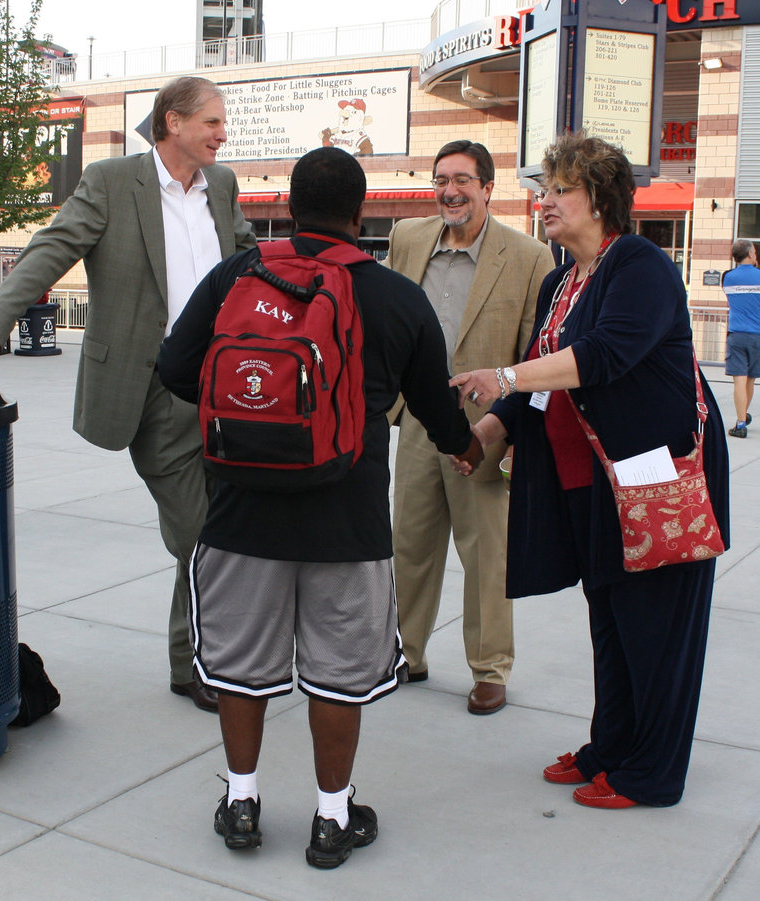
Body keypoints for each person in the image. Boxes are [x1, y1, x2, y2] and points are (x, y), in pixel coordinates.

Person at [157, 147, 481, 866]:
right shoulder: (396, 296)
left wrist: (246, 417)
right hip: (350, 524)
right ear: (359, 214)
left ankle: (242, 802)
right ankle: (332, 818)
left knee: (239, 666)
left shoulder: (237, 276)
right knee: (339, 672)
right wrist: (469, 447)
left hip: (240, 514)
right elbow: (436, 408)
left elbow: (177, 369)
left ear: (291, 208)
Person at [0, 76, 256, 713]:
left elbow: (248, 260)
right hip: (155, 389)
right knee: (201, 532)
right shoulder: (114, 181)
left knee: (223, 528)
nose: (224, 134)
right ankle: (201, 663)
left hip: (223, 389)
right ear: (172, 122)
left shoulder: (221, 186)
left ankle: (194, 658)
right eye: (213, 123)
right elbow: (52, 249)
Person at [451, 132, 730, 809]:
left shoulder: (638, 264)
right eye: (544, 190)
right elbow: (541, 388)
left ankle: (650, 772)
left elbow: (601, 356)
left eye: (560, 190)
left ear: (600, 199)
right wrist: (485, 431)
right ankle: (612, 746)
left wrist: (504, 374)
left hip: (659, 479)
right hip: (596, 486)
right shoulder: (560, 279)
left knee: (655, 629)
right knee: (612, 621)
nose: (544, 201)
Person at [387, 140, 554, 714]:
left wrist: (504, 430)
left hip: (484, 429)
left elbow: (535, 352)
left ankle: (490, 668)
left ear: (488, 188)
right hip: (415, 420)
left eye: (462, 179)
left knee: (488, 554)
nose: (449, 190)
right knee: (408, 542)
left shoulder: (530, 256)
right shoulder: (407, 239)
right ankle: (403, 653)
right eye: (441, 179)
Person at [721, 239, 760, 438]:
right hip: (758, 335)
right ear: (750, 254)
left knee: (739, 379)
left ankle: (741, 420)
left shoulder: (727, 277)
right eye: (754, 252)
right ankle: (742, 417)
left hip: (736, 334)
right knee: (750, 379)